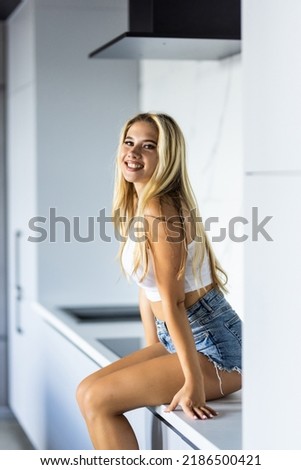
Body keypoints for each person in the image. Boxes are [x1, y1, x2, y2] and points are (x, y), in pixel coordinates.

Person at [76, 112, 242, 450]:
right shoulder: (140, 203)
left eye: (148, 146)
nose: (133, 153)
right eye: (129, 142)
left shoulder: (158, 207)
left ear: (166, 157)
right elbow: (146, 288)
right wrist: (153, 346)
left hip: (214, 348)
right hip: (182, 337)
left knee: (97, 399)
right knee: (85, 390)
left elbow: (175, 299)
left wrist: (192, 380)